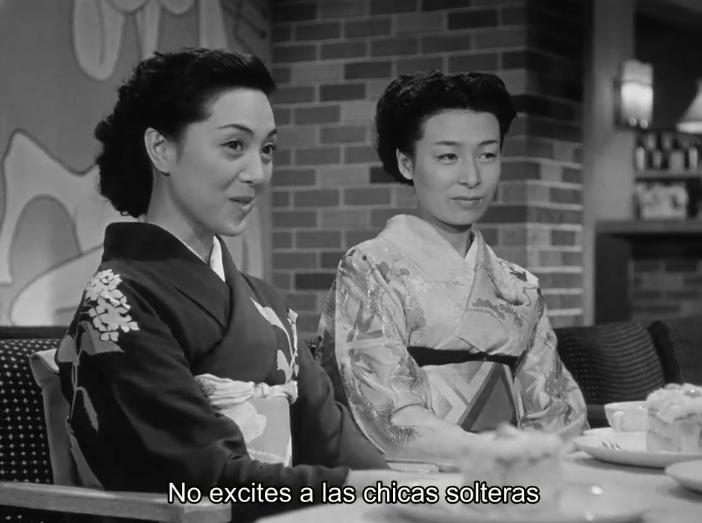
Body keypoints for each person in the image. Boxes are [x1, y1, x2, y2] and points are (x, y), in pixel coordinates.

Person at [55, 48, 389, 521]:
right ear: (162, 149)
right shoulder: (116, 301)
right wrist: (364, 488)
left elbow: (337, 446)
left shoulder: (268, 303)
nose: (257, 173)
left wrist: (405, 490)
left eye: (267, 150)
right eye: (234, 145)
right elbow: (202, 478)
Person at [316, 71, 587, 463]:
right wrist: (494, 453)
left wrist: (537, 464)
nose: (472, 177)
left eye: (487, 154)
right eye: (448, 156)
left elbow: (558, 418)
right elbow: (389, 417)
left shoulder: (520, 287)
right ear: (406, 163)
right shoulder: (370, 269)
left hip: (513, 479)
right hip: (413, 479)